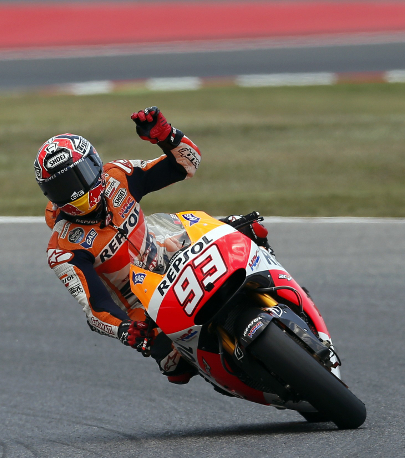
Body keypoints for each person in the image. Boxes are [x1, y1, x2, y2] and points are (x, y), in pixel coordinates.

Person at [35, 106, 272, 384]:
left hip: (173, 251)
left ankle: (279, 290)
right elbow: (95, 308)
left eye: (81, 176)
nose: (76, 192)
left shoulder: (118, 177)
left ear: (96, 164)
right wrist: (125, 330)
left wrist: (166, 137)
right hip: (145, 304)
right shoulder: (62, 248)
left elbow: (186, 166)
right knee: (176, 368)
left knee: (248, 229)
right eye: (62, 187)